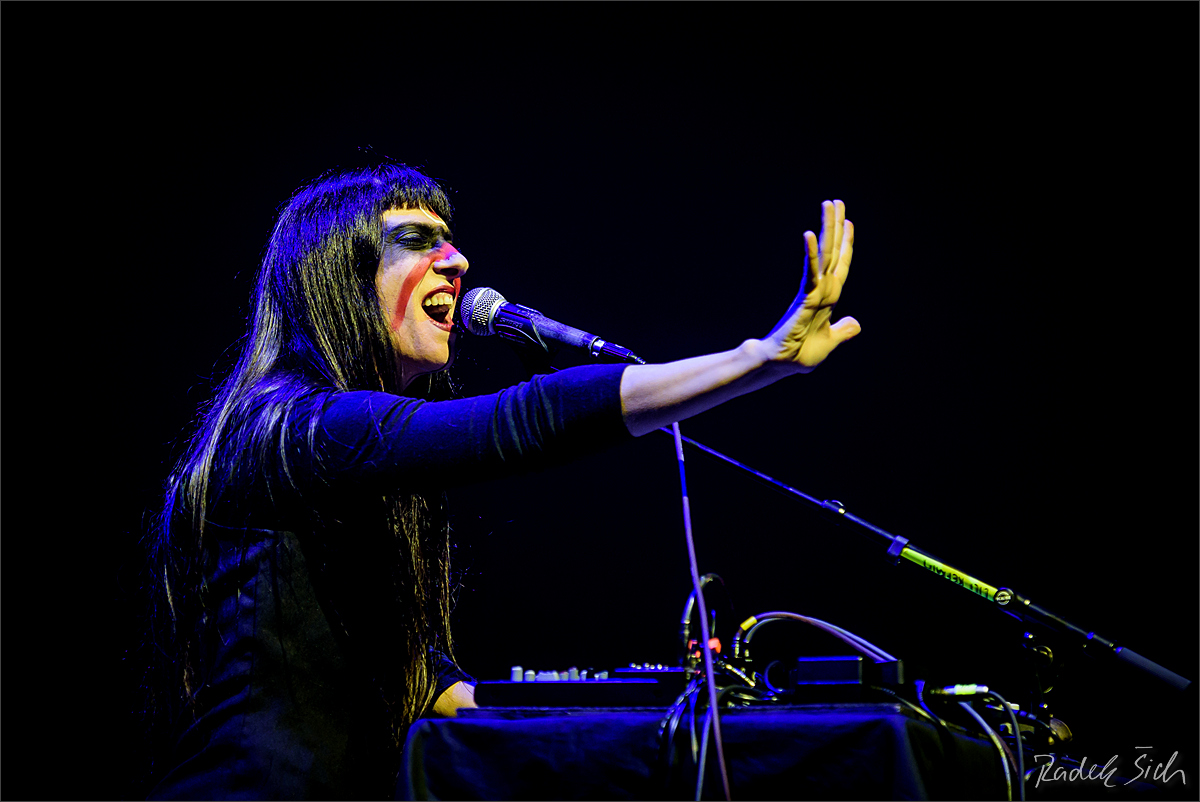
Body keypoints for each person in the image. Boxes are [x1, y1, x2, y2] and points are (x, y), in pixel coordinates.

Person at [142, 163, 860, 800]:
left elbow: (443, 696)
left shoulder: (349, 475)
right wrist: (757, 358)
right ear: (340, 275)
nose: (457, 261)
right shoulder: (290, 427)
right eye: (417, 240)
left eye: (450, 241)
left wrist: (644, 712)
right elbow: (521, 419)